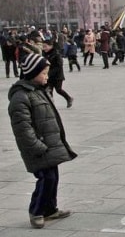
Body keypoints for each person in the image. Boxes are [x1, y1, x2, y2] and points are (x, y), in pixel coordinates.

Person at [8, 53, 77, 228]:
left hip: (48, 145)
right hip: (38, 148)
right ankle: (36, 211)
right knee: (46, 179)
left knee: (53, 177)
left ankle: (50, 209)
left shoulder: (39, 91)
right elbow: (23, 129)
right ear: (32, 73)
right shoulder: (20, 97)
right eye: (44, 73)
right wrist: (37, 146)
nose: (47, 76)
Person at [42, 40, 73, 108]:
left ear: (51, 46)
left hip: (57, 75)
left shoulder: (56, 53)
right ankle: (51, 105)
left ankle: (69, 98)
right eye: (43, 47)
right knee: (49, 90)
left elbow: (59, 65)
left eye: (45, 46)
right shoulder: (44, 53)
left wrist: (50, 73)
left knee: (58, 89)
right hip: (48, 75)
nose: (44, 48)